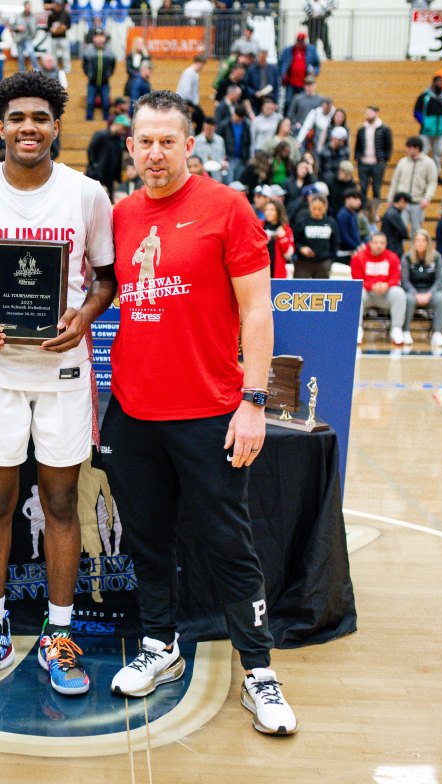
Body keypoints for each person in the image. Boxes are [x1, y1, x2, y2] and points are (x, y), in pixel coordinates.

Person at [101, 88, 296, 735]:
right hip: (133, 412)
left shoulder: (227, 208)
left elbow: (259, 310)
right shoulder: (122, 214)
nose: (155, 153)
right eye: (144, 141)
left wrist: (255, 400)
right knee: (148, 541)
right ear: (130, 147)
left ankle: (260, 672)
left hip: (211, 411)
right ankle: (162, 645)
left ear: (190, 144)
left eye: (167, 141)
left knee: (227, 543)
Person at [0, 71, 115, 698]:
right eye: (17, 117)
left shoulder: (87, 194)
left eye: (40, 118)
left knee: (63, 505)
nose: (28, 128)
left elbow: (106, 279)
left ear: (55, 126)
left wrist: (84, 318)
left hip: (65, 372)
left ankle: (58, 632)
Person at [351, 232, 407, 344]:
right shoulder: (358, 257)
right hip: (367, 293)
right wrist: (371, 285)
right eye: (376, 242)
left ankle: (396, 329)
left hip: (385, 293)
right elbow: (356, 279)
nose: (379, 245)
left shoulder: (393, 257)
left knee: (399, 293)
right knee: (356, 293)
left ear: (386, 244)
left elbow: (396, 277)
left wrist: (387, 285)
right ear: (370, 243)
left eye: (382, 243)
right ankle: (357, 329)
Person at [401, 228, 442, 346]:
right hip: (413, 291)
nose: (420, 243)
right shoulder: (407, 258)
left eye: (423, 240)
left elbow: (439, 281)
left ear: (428, 242)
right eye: (417, 240)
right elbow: (405, 281)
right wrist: (415, 293)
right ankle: (406, 332)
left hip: (431, 291)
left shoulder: (437, 257)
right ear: (413, 243)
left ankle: (437, 334)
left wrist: (429, 294)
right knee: (408, 299)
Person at [387, 136, 439, 236]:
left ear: (417, 148)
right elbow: (395, 181)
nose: (407, 150)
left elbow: (432, 183)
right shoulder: (402, 162)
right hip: (402, 203)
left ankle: (415, 251)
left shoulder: (429, 163)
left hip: (418, 203)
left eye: (409, 148)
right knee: (399, 230)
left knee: (417, 232)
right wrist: (391, 198)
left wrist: (427, 198)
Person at [292, 193, 338, 277]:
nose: (316, 211)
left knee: (321, 289)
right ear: (310, 207)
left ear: (325, 208)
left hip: (323, 263)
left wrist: (331, 258)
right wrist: (301, 248)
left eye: (320, 209)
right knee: (299, 289)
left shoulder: (331, 222)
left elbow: (335, 242)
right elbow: (295, 240)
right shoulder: (302, 220)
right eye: (314, 208)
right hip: (303, 263)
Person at [354, 106, 392, 200]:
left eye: (370, 112)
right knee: (363, 188)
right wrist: (357, 157)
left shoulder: (384, 129)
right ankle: (362, 210)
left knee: (376, 189)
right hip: (363, 163)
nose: (368, 115)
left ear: (376, 113)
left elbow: (389, 146)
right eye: (366, 113)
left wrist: (385, 159)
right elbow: (357, 145)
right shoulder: (362, 129)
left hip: (378, 163)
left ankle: (375, 212)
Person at [414, 75, 442, 171]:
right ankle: (421, 172)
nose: (440, 84)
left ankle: (436, 174)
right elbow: (416, 112)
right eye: (438, 82)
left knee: (438, 153)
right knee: (423, 152)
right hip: (426, 131)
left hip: (440, 131)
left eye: (441, 82)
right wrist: (424, 122)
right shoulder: (424, 96)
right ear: (433, 83)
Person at [278, 34, 321, 116]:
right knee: (288, 101)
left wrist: (314, 72)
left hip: (304, 83)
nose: (300, 44)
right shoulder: (289, 50)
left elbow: (317, 64)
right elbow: (281, 63)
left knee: (303, 102)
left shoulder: (311, 50)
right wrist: (283, 74)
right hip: (291, 82)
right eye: (298, 41)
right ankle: (286, 119)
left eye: (302, 41)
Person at [87, 114, 129, 194]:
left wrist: (117, 178)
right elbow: (91, 152)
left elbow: (118, 160)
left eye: (125, 129)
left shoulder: (119, 140)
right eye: (122, 128)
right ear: (116, 124)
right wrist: (95, 168)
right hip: (94, 177)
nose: (123, 131)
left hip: (109, 179)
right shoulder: (101, 135)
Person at [82, 28, 115, 121]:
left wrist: (109, 74)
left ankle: (106, 121)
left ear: (105, 38)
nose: (99, 39)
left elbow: (113, 64)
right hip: (92, 83)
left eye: (101, 36)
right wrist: (89, 74)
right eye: (97, 36)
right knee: (90, 102)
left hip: (105, 83)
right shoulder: (88, 51)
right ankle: (88, 121)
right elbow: (84, 65)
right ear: (93, 38)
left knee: (106, 103)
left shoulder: (109, 51)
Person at [47, 0, 73, 73]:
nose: (57, 6)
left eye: (59, 4)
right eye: (56, 4)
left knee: (66, 54)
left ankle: (67, 69)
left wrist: (65, 27)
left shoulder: (66, 14)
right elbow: (48, 27)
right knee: (53, 54)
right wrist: (52, 29)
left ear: (61, 5)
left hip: (63, 37)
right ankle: (54, 68)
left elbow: (69, 26)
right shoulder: (51, 15)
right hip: (53, 38)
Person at [14, 2, 40, 73]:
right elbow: (12, 26)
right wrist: (17, 27)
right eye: (27, 7)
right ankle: (22, 72)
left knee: (32, 54)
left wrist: (33, 36)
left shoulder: (33, 17)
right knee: (21, 57)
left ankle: (38, 71)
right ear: (24, 7)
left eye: (29, 7)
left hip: (28, 38)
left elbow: (36, 28)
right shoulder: (18, 16)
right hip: (19, 39)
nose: (28, 9)